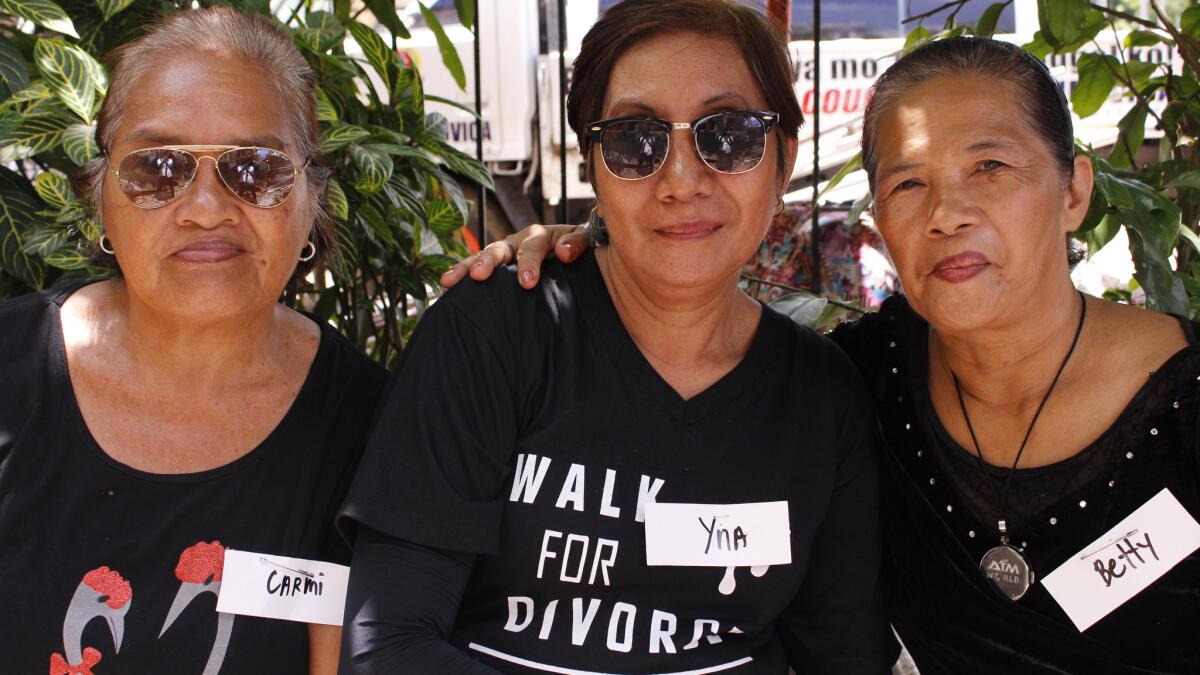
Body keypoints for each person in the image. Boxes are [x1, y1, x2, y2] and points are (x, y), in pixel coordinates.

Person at [462, 36, 1200, 674]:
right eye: (909, 184)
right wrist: (581, 258)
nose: (947, 214)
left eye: (990, 168)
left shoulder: (1184, 403)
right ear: (880, 221)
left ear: (1073, 191)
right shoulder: (860, 385)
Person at [338, 1, 896, 673]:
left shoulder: (821, 397)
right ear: (593, 166)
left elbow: (842, 658)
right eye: (637, 140)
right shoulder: (495, 331)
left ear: (783, 161)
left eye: (730, 136)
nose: (682, 180)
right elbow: (390, 643)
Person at [0, 9, 385, 674]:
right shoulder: (9, 370)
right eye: (158, 169)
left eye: (255, 168)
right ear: (102, 200)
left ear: (311, 203)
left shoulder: (371, 425)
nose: (206, 207)